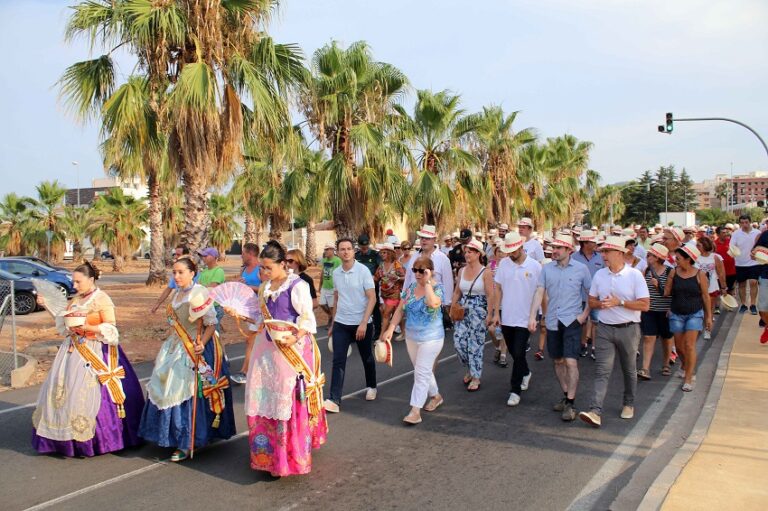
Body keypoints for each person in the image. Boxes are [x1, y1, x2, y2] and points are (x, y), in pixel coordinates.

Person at [32, 261, 145, 457]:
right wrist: (47, 305)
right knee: (65, 393)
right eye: (73, 282)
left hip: (96, 349)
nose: (74, 286)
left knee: (87, 394)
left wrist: (87, 327)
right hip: (73, 350)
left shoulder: (102, 299)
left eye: (78, 282)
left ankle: (99, 439)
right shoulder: (76, 299)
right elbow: (63, 321)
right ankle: (64, 438)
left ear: (91, 279)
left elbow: (111, 327)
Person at [236, 241, 327, 476]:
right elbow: (260, 319)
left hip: (291, 349)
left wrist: (295, 336)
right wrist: (240, 315)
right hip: (266, 351)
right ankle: (267, 455)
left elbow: (307, 319)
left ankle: (288, 457)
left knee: (286, 399)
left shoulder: (297, 286)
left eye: (268, 267)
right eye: (262, 268)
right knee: (264, 396)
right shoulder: (264, 288)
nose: (264, 272)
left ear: (282, 264)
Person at [138, 257, 236, 462]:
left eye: (181, 272)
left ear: (192, 273)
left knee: (184, 388)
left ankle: (187, 440)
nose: (176, 276)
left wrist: (202, 344)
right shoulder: (177, 293)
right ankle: (170, 435)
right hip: (175, 345)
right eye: (174, 272)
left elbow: (211, 323)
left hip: (195, 346)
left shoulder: (199, 293)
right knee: (163, 385)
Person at [579, 236, 650, 428]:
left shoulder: (634, 275)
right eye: (602, 252)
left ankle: (628, 403)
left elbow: (645, 305)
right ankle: (595, 411)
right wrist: (601, 304)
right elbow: (591, 300)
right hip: (604, 329)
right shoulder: (600, 275)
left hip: (629, 329)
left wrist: (620, 302)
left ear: (619, 253)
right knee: (602, 370)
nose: (603, 255)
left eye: (607, 252)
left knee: (629, 369)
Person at [528, 234, 592, 421]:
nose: (554, 251)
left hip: (572, 321)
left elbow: (591, 293)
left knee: (571, 362)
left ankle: (571, 403)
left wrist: (583, 316)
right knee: (557, 361)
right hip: (553, 321)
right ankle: (566, 395)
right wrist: (532, 316)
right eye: (553, 247)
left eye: (558, 248)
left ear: (569, 250)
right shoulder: (547, 269)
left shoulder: (581, 269)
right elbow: (539, 292)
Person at [381, 256, 445, 425]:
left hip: (431, 338)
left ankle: (415, 411)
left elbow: (433, 303)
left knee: (421, 373)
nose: (417, 274)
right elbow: (400, 310)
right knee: (422, 370)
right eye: (415, 270)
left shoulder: (438, 288)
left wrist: (428, 282)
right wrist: (390, 328)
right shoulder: (410, 288)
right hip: (412, 337)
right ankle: (436, 396)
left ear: (430, 271)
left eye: (421, 271)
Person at [325, 238, 378, 413]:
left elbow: (372, 298)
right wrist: (333, 323)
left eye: (349, 248)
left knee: (366, 357)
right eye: (342, 249)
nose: (346, 252)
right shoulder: (336, 273)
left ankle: (372, 386)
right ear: (338, 252)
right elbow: (337, 298)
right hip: (341, 323)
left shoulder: (363, 271)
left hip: (361, 323)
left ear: (353, 251)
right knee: (338, 360)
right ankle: (334, 399)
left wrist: (363, 323)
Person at [492, 232, 541, 406]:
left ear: (521, 247)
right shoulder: (504, 264)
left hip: (526, 318)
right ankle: (526, 372)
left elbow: (540, 292)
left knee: (519, 352)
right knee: (514, 352)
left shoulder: (535, 266)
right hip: (507, 316)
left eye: (513, 250)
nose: (511, 254)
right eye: (508, 251)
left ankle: (515, 390)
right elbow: (498, 289)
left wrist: (538, 315)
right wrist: (496, 313)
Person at [664, 244, 712, 391]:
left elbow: (706, 296)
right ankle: (686, 365)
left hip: (695, 313)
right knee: (679, 347)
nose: (676, 260)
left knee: (689, 346)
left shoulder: (700, 274)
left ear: (688, 259)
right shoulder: (674, 272)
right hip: (676, 313)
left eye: (678, 258)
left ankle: (689, 378)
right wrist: (669, 279)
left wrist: (708, 317)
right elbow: (666, 292)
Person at [451, 239, 494, 391]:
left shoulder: (485, 272)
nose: (467, 254)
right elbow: (457, 291)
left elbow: (490, 295)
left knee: (475, 345)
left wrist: (490, 314)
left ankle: (475, 376)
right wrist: (452, 306)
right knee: (459, 342)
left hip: (479, 310)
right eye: (466, 252)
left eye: (470, 252)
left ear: (478, 254)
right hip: (463, 309)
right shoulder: (461, 271)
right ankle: (470, 368)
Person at [637, 244, 675, 380]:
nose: (647, 257)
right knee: (648, 337)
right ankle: (645, 368)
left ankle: (666, 364)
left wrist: (658, 286)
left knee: (666, 338)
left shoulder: (670, 271)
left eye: (650, 255)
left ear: (658, 257)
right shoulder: (647, 270)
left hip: (665, 310)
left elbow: (673, 291)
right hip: (649, 309)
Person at [572, 230, 604, 359]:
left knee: (596, 322)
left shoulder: (600, 257)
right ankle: (583, 344)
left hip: (596, 297)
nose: (595, 244)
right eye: (592, 242)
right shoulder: (574, 257)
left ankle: (595, 347)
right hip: (579, 296)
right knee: (581, 322)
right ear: (585, 243)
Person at [695, 236, 726, 339]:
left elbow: (721, 273)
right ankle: (698, 327)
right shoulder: (694, 257)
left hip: (712, 287)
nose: (696, 247)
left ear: (705, 246)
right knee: (698, 309)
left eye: (699, 245)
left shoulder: (715, 257)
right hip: (697, 288)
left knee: (709, 310)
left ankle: (708, 329)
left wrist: (723, 287)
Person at [374, 243, 406, 343]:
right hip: (383, 294)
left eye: (384, 252)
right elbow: (376, 278)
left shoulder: (397, 264)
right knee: (396, 313)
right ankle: (404, 332)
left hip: (394, 294)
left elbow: (405, 278)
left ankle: (381, 338)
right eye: (381, 252)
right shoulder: (381, 265)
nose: (382, 254)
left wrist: (397, 278)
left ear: (390, 253)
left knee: (386, 314)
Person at [151, 245, 195, 313]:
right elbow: (169, 289)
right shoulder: (176, 276)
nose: (176, 257)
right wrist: (158, 304)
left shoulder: (196, 275)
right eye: (175, 254)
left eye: (178, 254)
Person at [731, 214, 760, 314]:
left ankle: (753, 304)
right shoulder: (736, 234)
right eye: (742, 223)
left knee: (753, 282)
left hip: (754, 262)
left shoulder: (757, 233)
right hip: (740, 263)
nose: (744, 224)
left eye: (746, 222)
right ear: (740, 223)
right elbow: (732, 246)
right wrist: (734, 252)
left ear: (750, 222)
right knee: (742, 284)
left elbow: (761, 246)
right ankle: (743, 304)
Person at [355, 234, 383, 338]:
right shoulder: (356, 256)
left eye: (366, 247)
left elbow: (381, 267)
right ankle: (358, 330)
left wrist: (375, 277)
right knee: (359, 308)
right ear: (359, 245)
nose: (365, 249)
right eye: (362, 247)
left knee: (375, 309)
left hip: (372, 286)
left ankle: (377, 332)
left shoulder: (375, 255)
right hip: (358, 287)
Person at [488, 242, 509, 367]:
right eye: (499, 251)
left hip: (506, 302)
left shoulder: (509, 266)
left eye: (503, 251)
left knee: (504, 330)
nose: (501, 254)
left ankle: (503, 355)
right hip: (493, 302)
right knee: (492, 329)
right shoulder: (490, 266)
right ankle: (498, 347)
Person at [198, 247, 227, 331]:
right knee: (206, 332)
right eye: (203, 256)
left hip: (215, 306)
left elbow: (211, 287)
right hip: (205, 306)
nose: (203, 258)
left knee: (213, 333)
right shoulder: (204, 271)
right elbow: (199, 286)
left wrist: (201, 287)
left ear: (214, 257)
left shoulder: (218, 271)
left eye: (206, 256)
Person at [318, 243, 342, 325]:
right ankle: (331, 316)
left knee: (332, 306)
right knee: (322, 304)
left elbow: (341, 273)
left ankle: (333, 323)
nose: (326, 251)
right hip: (325, 286)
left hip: (333, 287)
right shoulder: (324, 260)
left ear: (332, 250)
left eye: (328, 249)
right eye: (325, 249)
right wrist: (320, 285)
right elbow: (322, 273)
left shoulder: (338, 260)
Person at [714, 225, 737, 299]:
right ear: (718, 234)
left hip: (731, 271)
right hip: (719, 272)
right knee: (721, 291)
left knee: (730, 290)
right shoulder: (714, 244)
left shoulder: (731, 242)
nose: (725, 234)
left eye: (726, 232)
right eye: (723, 233)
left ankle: (731, 304)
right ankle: (719, 305)